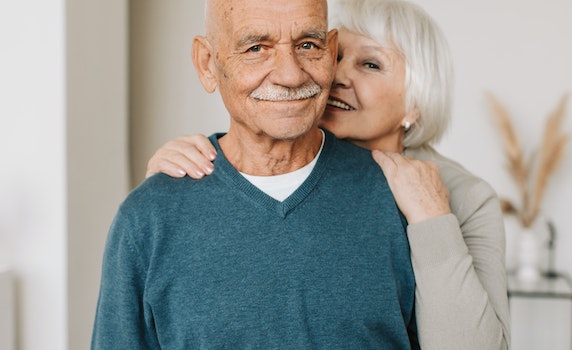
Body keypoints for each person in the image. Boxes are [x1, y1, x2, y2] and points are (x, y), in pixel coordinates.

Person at [145, 0, 511, 349]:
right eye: (334, 57)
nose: (337, 76)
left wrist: (433, 219)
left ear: (416, 101)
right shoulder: (271, 165)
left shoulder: (466, 196)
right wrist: (171, 186)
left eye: (370, 65)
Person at [92, 0, 420, 348]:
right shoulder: (148, 218)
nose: (290, 75)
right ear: (207, 64)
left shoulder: (403, 199)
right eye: (256, 48)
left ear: (331, 50)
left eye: (308, 45)